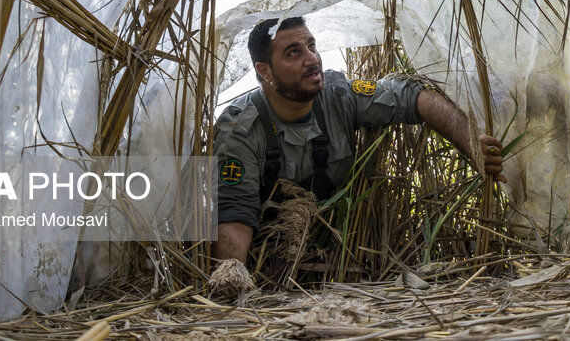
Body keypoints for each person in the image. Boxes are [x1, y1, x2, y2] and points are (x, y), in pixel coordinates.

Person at [212, 16, 507, 265]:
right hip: (266, 263)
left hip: (337, 261)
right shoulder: (240, 128)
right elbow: (233, 214)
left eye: (311, 46)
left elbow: (412, 96)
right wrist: (232, 281)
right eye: (293, 52)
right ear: (264, 71)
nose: (312, 59)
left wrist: (471, 142)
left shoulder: (338, 95)